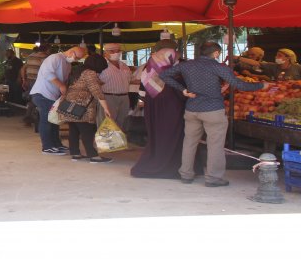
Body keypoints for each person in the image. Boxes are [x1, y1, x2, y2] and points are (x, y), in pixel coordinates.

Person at [160, 42, 267, 187]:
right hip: (213, 110)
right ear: (216, 53)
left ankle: (186, 175)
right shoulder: (219, 67)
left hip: (192, 109)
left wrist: (183, 89)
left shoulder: (187, 65)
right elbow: (240, 85)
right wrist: (261, 85)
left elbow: (164, 74)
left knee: (189, 142)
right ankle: (213, 178)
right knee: (215, 145)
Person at [131, 40, 187, 178]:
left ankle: (155, 162)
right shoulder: (179, 68)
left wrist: (141, 102)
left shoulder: (150, 66)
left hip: (153, 106)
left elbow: (142, 90)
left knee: (157, 135)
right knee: (173, 136)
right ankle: (170, 166)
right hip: (173, 107)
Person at [30, 46, 86, 155]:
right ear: (71, 52)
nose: (77, 60)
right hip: (42, 94)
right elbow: (47, 73)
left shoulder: (68, 64)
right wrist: (61, 86)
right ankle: (47, 146)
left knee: (55, 121)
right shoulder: (54, 58)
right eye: (77, 58)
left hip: (52, 96)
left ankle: (56, 144)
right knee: (46, 121)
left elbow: (64, 80)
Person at [59, 53, 114, 163]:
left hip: (69, 106)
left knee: (74, 131)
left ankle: (75, 154)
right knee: (87, 131)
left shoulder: (77, 70)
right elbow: (97, 92)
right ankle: (93, 156)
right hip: (81, 108)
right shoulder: (90, 73)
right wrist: (106, 108)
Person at [99, 43, 132, 128]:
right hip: (108, 97)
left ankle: (119, 141)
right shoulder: (100, 65)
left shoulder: (124, 65)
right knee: (107, 124)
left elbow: (129, 79)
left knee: (122, 123)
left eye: (118, 51)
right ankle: (104, 141)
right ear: (105, 52)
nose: (116, 53)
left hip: (124, 97)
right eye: (112, 51)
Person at [20, 45, 49, 128]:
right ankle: (29, 119)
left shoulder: (30, 56)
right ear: (47, 50)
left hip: (29, 80)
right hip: (39, 81)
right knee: (36, 100)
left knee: (32, 99)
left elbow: (23, 69)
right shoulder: (45, 57)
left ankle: (29, 119)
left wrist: (24, 80)